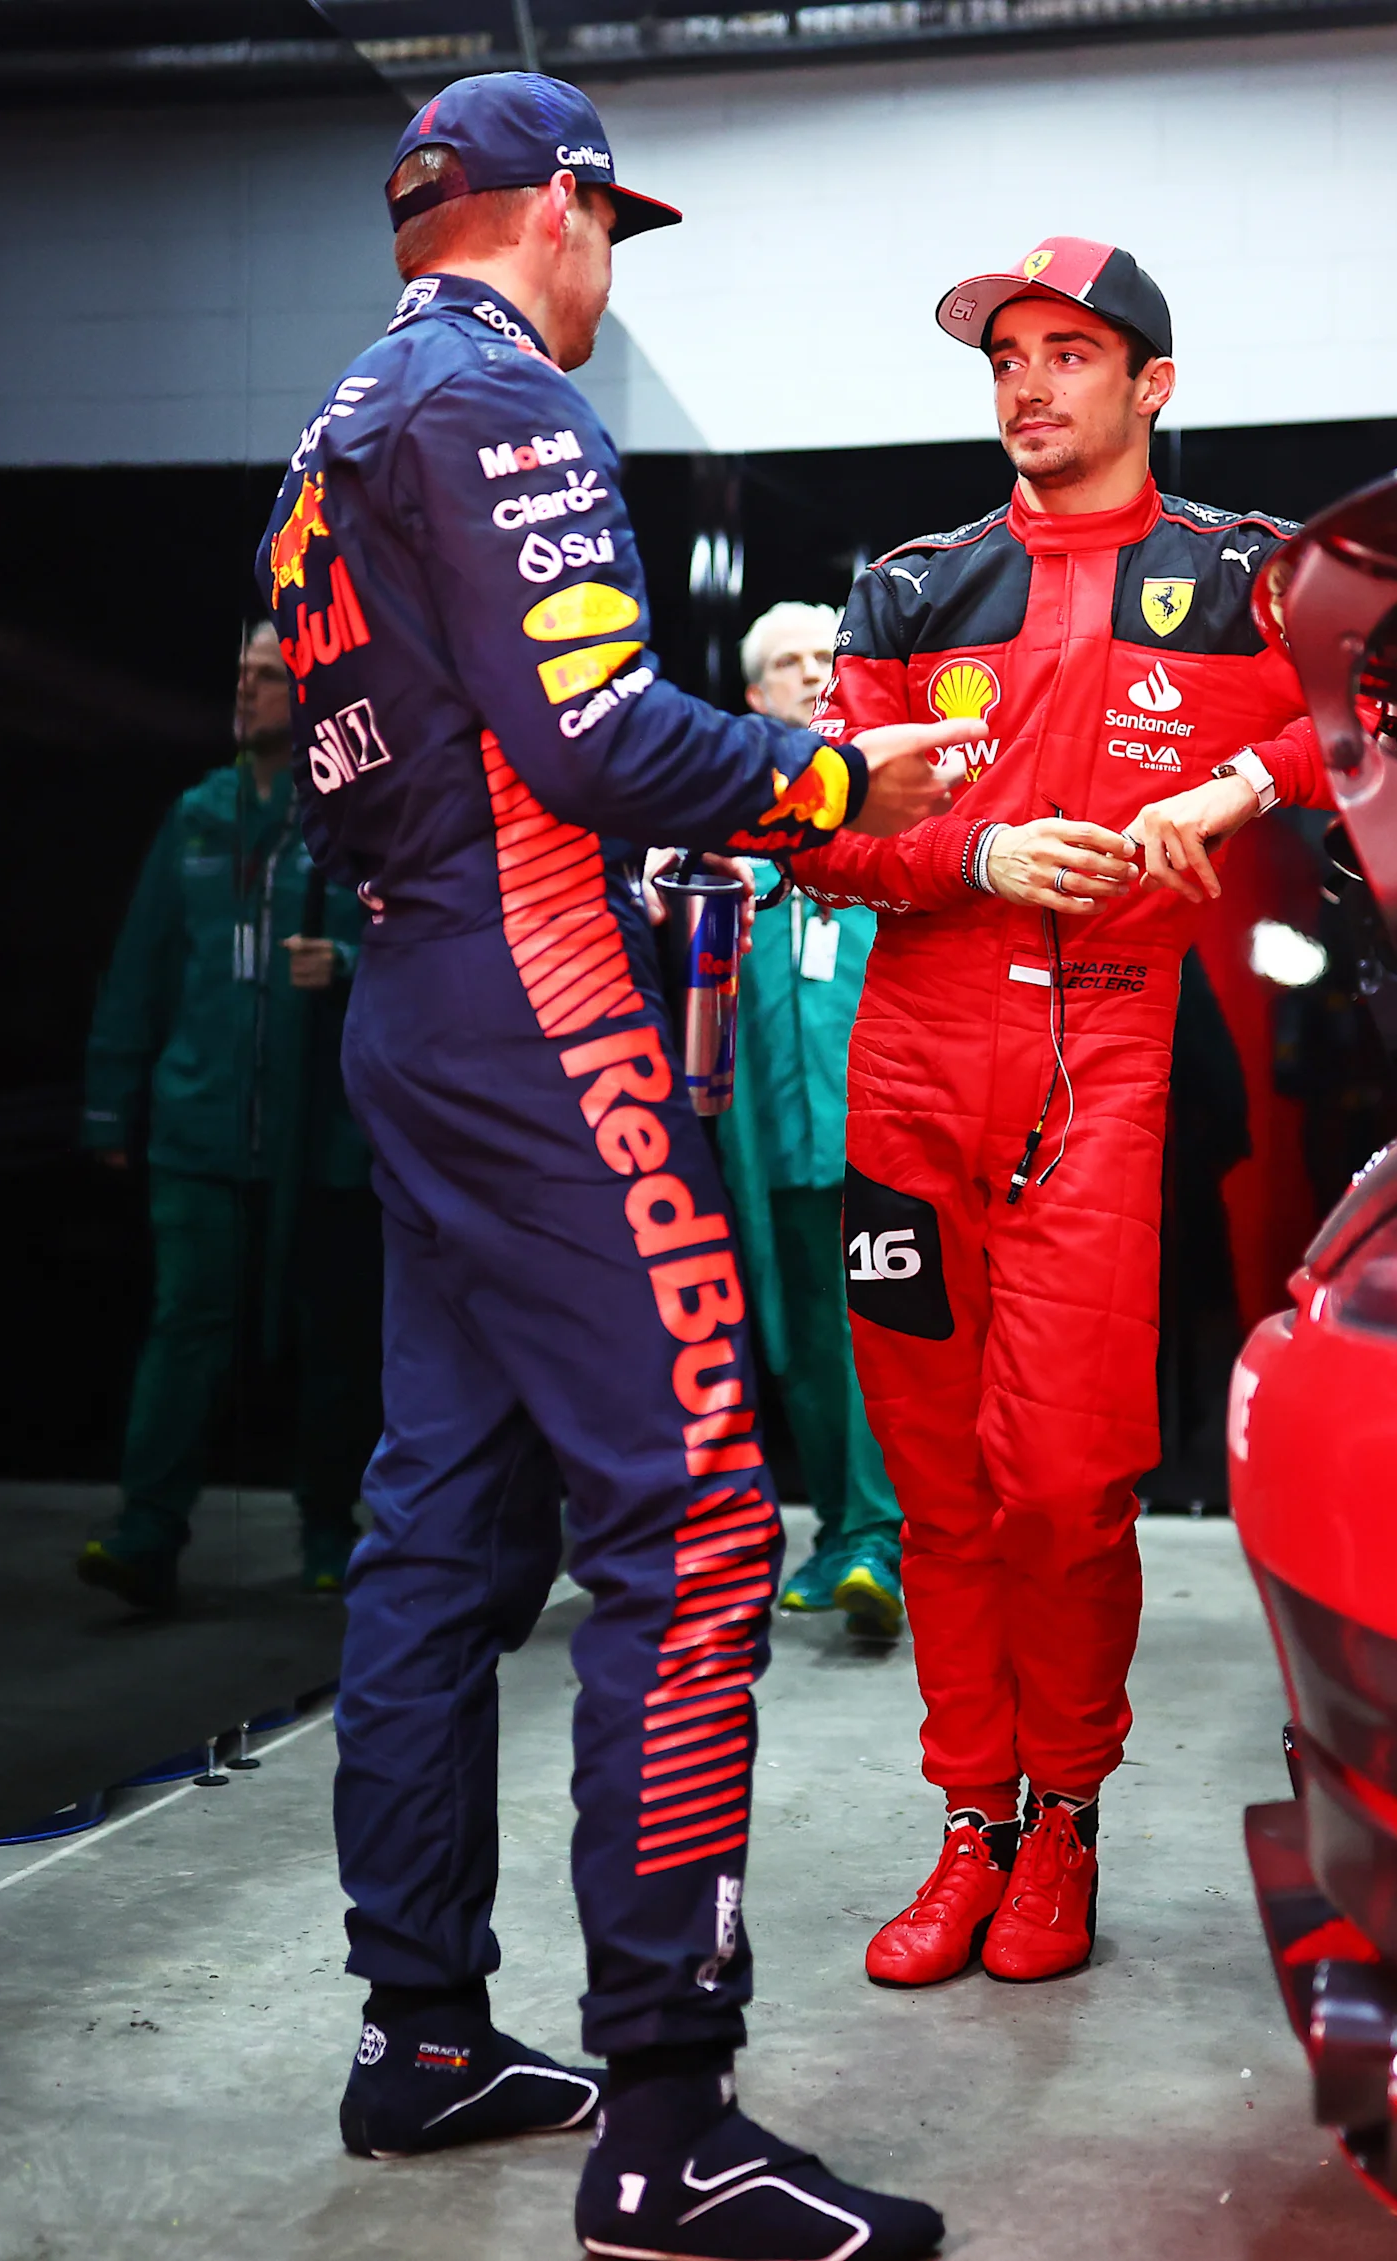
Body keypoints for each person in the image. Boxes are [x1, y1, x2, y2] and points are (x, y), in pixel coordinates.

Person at [268, 74, 977, 2261]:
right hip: (541, 989)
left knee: (437, 1522)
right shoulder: (504, 414)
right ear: (557, 208)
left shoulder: (337, 427)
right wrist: (841, 764)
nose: (607, 274)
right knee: (695, 1523)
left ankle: (421, 2034)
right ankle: (669, 2116)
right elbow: (590, 741)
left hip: (413, 996)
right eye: (610, 229)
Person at [787, 238, 1333, 1988]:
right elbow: (822, 831)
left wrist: (1244, 783)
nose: (1027, 386)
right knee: (934, 1479)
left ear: (1149, 385)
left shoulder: (1241, 574)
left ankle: (1066, 1829)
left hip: (1107, 1051)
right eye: (1005, 358)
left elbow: (1393, 705)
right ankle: (968, 1821)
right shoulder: (911, 587)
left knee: (1063, 1481)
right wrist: (974, 851)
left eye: (1067, 355)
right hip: (913, 1055)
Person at [75, 623, 378, 1607]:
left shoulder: (355, 814)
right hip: (201, 1124)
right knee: (185, 1326)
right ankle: (145, 1532)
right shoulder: (198, 815)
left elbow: (425, 946)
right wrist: (107, 1103)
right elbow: (141, 967)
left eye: (267, 675)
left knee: (333, 1340)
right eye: (242, 673)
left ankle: (329, 1525)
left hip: (323, 1134)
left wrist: (347, 966)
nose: (245, 688)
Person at [714, 602, 903, 1637]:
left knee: (872, 1336)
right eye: (783, 664)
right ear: (754, 696)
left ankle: (881, 1537)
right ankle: (839, 1532)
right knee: (798, 1344)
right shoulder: (731, 821)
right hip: (764, 1133)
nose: (805, 675)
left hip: (871, 1120)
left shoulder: (890, 796)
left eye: (821, 658)